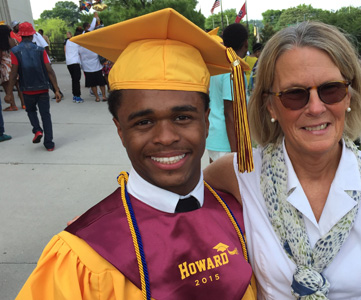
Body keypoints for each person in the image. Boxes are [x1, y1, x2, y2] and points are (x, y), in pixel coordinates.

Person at [15, 9, 256, 300]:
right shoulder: (84, 253)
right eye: (143, 122)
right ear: (120, 130)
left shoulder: (242, 215)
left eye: (183, 117)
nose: (166, 137)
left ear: (206, 120)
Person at [204, 21, 361, 299]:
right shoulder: (238, 174)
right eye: (295, 94)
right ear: (270, 105)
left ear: (349, 96)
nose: (316, 108)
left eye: (331, 89)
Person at [4, 22, 62, 151]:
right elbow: (49, 70)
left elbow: (13, 74)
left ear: (20, 35)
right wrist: (56, 89)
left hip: (27, 89)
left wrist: (9, 93)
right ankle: (49, 144)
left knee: (30, 111)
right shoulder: (40, 50)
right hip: (42, 88)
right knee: (45, 115)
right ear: (31, 35)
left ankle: (37, 130)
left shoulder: (15, 51)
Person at [206, 23, 248, 162]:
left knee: (215, 183)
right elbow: (230, 112)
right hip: (227, 143)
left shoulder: (218, 65)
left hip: (214, 138)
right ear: (245, 44)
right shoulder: (234, 68)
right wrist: (236, 154)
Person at [0, 24, 25, 110]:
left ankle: (12, 105)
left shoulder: (1, 42)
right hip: (14, 64)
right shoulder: (14, 40)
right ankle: (23, 103)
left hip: (5, 66)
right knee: (18, 85)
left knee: (7, 86)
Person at [78, 33, 107, 102]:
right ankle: (104, 96)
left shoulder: (80, 48)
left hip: (87, 68)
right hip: (97, 66)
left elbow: (79, 56)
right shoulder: (94, 46)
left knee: (92, 84)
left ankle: (97, 97)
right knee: (101, 83)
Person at [65, 27, 83, 103]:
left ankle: (75, 96)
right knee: (77, 80)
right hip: (75, 62)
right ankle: (78, 97)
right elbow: (81, 52)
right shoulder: (78, 43)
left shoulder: (68, 41)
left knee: (73, 79)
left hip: (69, 63)